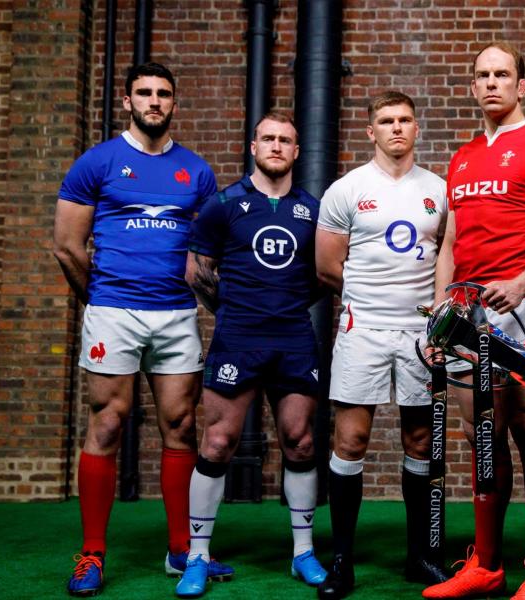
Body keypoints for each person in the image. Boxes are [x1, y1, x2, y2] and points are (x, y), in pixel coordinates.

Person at [53, 62, 233, 596]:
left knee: (180, 426)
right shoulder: (98, 162)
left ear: (174, 103)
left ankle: (182, 551)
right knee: (108, 423)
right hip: (115, 310)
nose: (154, 101)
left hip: (177, 313)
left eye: (163, 94)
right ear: (128, 100)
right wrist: (101, 297)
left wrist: (214, 303)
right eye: (144, 93)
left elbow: (204, 256)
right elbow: (67, 244)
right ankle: (92, 554)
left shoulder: (196, 172)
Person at [423, 42, 525, 600]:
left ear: (524, 85)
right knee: (481, 432)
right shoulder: (463, 157)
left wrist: (520, 283)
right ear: (472, 86)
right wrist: (446, 306)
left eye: (503, 74)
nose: (491, 83)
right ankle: (486, 564)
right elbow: (450, 240)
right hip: (470, 314)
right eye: (482, 75)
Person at [172, 111, 326, 597]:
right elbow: (197, 272)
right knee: (218, 442)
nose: (276, 146)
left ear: (296, 151)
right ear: (253, 146)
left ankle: (304, 553)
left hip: (295, 338)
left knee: (300, 441)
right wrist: (236, 308)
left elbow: (323, 276)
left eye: (286, 140)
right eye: (268, 138)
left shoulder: (313, 210)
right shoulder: (224, 204)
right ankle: (197, 556)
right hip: (237, 336)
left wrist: (286, 305)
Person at [314, 91, 449, 600]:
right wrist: (368, 303)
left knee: (419, 441)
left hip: (420, 334)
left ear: (417, 129)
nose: (396, 128)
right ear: (370, 131)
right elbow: (328, 267)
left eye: (405, 120)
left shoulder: (438, 189)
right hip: (362, 329)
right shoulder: (347, 189)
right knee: (350, 442)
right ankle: (343, 562)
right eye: (386, 121)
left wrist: (434, 321)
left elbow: (444, 259)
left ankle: (419, 556)